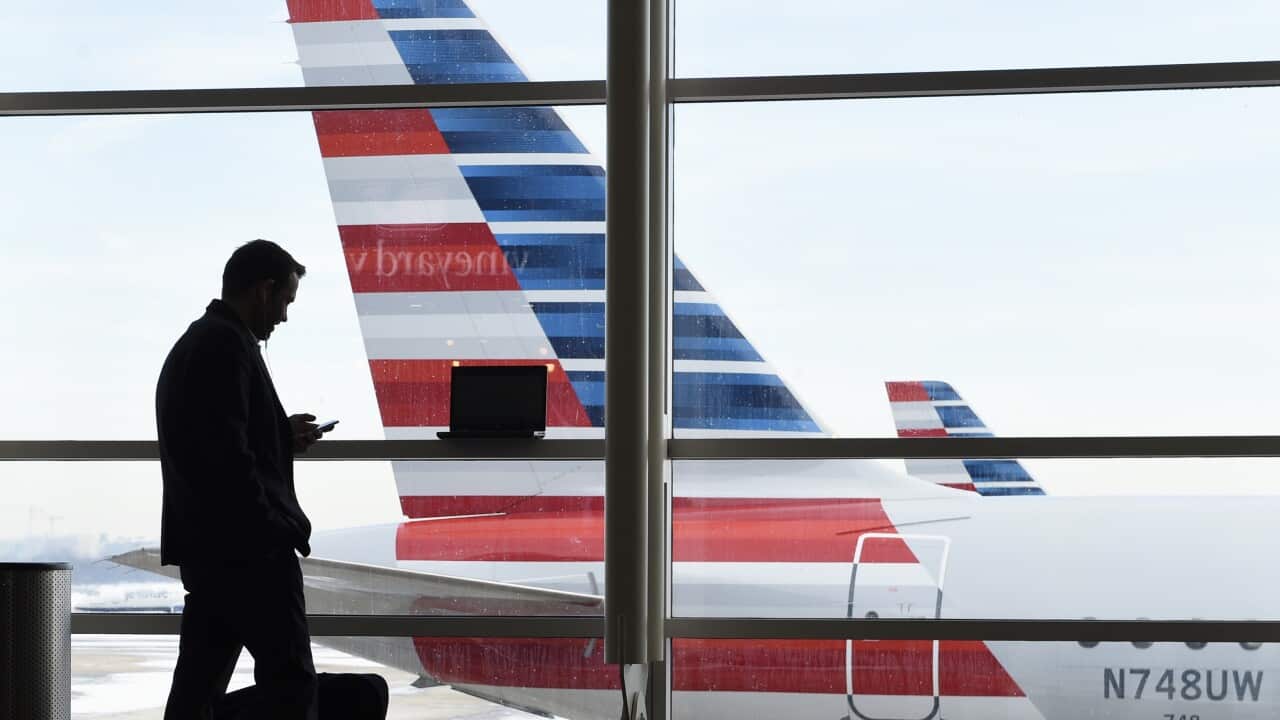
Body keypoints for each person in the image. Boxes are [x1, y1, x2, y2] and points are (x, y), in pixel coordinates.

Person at [157, 239, 326, 720]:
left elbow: (216, 436)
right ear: (264, 290)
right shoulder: (225, 347)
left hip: (212, 552)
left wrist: (275, 432)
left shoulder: (201, 342)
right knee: (291, 685)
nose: (284, 317)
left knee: (197, 692)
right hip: (250, 555)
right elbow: (228, 460)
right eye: (285, 301)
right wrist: (274, 529)